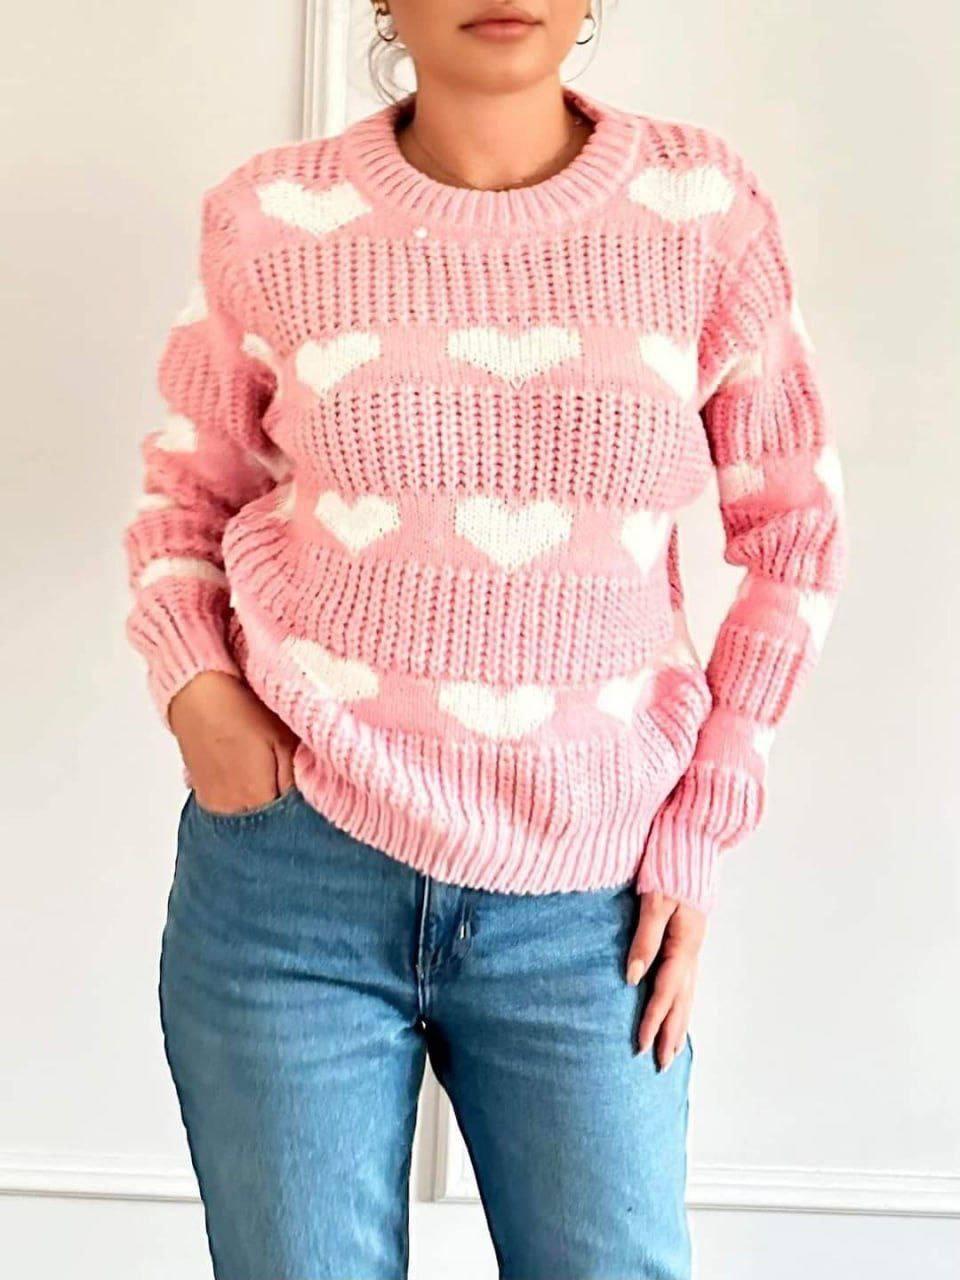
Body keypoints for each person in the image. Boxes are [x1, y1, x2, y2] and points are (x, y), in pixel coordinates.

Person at [122, 2, 848, 1276]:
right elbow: (187, 497)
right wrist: (199, 693)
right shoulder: (273, 220)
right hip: (294, 877)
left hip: (592, 899)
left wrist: (699, 826)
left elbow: (793, 528)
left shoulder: (701, 213)